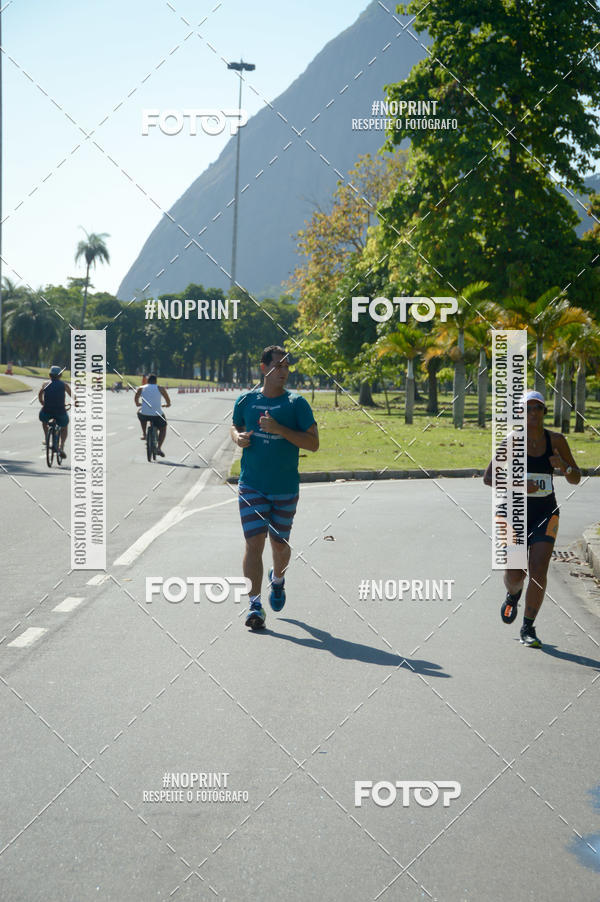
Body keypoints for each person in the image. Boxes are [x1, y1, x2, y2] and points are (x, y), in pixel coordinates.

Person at [231, 346, 319, 630]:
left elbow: (313, 444)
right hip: (251, 485)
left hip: (284, 488)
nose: (284, 370)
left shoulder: (296, 404)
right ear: (263, 368)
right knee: (253, 544)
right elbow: (234, 425)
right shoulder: (246, 400)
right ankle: (254, 605)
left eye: (286, 365)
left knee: (279, 546)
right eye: (278, 365)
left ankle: (277, 579)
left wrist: (280, 429)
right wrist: (238, 437)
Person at [483, 390, 581, 647]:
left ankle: (528, 627)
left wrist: (564, 466)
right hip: (514, 513)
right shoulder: (513, 441)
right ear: (520, 413)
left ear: (544, 412)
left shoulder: (556, 440)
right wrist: (518, 485)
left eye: (538, 408)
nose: (533, 413)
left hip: (546, 513)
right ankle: (513, 594)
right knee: (517, 574)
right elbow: (489, 478)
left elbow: (575, 476)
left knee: (539, 570)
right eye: (528, 409)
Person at [38, 365, 72, 461]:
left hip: (46, 411)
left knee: (44, 420)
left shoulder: (45, 384)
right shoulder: (64, 385)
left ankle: (46, 438)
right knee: (64, 426)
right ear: (60, 376)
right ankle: (61, 446)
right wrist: (76, 402)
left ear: (50, 375)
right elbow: (72, 395)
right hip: (60, 411)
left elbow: (40, 394)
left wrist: (42, 402)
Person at [135, 374, 171, 456]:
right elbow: (167, 399)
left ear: (147, 381)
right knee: (163, 428)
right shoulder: (160, 388)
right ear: (156, 381)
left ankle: (144, 434)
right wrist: (167, 404)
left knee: (140, 414)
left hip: (144, 414)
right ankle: (159, 448)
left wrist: (137, 403)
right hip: (157, 415)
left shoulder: (141, 388)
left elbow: (136, 397)